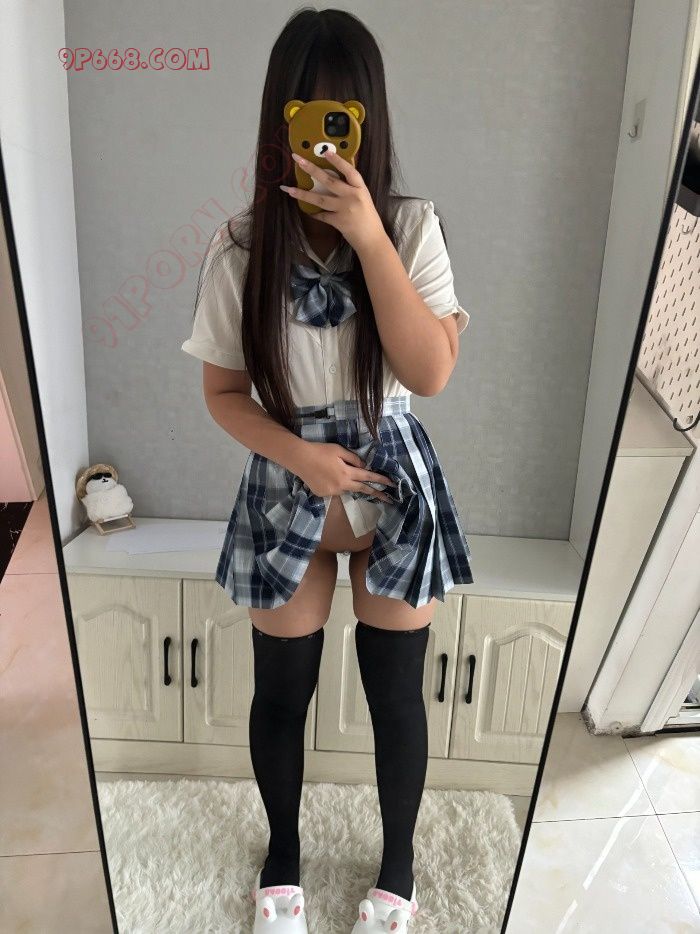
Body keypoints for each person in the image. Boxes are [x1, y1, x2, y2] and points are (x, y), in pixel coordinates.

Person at [181, 8, 474, 932]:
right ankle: (283, 857)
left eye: (344, 116)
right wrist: (301, 455)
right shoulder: (240, 246)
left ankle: (398, 874)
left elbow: (429, 372)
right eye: (309, 115)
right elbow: (224, 393)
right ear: (282, 119)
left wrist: (370, 237)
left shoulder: (413, 228)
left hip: (393, 487)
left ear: (369, 119)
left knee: (395, 694)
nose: (326, 138)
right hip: (287, 483)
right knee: (281, 691)